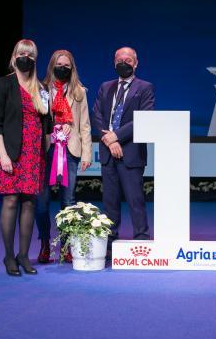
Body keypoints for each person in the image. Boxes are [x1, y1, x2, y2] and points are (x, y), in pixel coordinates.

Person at [0, 39, 49, 276]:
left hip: (34, 155)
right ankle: (8, 256)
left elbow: (46, 124)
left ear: (34, 59)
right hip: (9, 154)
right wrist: (3, 154)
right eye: (22, 53)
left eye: (30, 54)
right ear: (14, 56)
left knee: (29, 203)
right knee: (11, 201)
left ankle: (24, 255)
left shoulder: (41, 88)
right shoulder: (4, 84)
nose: (26, 57)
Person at [92, 47, 154, 257]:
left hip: (132, 153)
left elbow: (143, 119)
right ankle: (109, 242)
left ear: (136, 63)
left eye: (128, 60)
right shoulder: (105, 87)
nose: (123, 63)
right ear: (114, 63)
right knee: (110, 201)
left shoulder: (145, 88)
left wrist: (116, 136)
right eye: (119, 59)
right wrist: (109, 141)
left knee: (135, 199)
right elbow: (97, 116)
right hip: (108, 152)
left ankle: (142, 240)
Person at [35, 50, 92, 263]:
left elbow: (85, 125)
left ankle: (66, 245)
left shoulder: (79, 91)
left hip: (71, 150)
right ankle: (44, 244)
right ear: (52, 66)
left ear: (72, 67)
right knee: (41, 202)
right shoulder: (41, 90)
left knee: (68, 201)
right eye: (59, 64)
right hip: (46, 149)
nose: (62, 68)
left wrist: (87, 153)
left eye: (66, 65)